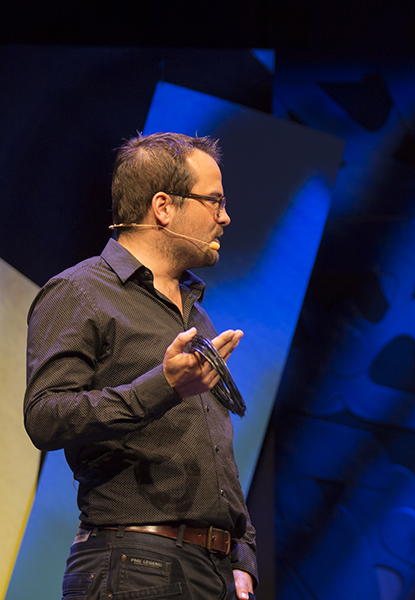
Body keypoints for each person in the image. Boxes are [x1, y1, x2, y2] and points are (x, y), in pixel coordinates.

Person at [24, 133, 257, 600]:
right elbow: (45, 416)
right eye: (214, 202)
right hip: (133, 564)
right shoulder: (80, 291)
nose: (225, 217)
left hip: (212, 573)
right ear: (163, 207)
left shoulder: (195, 312)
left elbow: (213, 449)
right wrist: (162, 386)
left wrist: (242, 555)